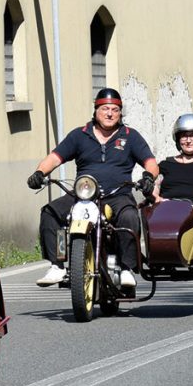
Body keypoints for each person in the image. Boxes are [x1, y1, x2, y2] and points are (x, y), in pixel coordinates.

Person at [27, 87, 159, 288]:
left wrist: (149, 177)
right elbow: (54, 158)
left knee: (130, 216)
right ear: (96, 111)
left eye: (115, 110)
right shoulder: (79, 135)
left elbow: (151, 162)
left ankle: (126, 268)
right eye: (105, 109)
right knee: (50, 213)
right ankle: (57, 265)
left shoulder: (130, 136)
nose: (109, 114)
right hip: (83, 195)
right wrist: (39, 173)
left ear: (120, 113)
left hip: (118, 195)